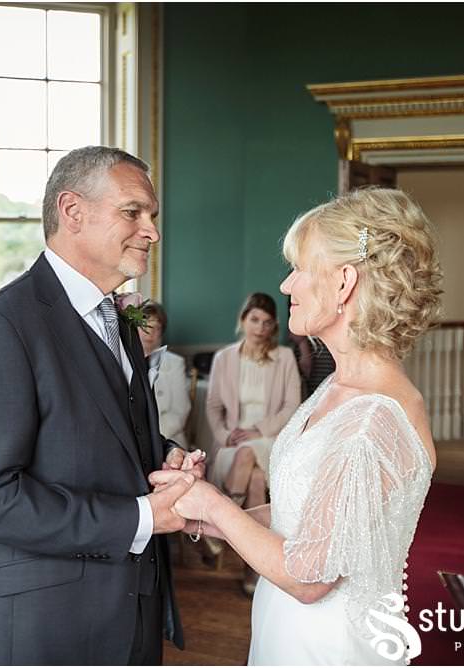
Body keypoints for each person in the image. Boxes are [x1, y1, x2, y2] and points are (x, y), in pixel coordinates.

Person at [152, 188, 443, 665]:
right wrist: (210, 512)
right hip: (286, 627)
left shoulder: (372, 419)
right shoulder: (334, 388)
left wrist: (215, 507)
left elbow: (311, 578)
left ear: (345, 282)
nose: (287, 286)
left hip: (325, 645)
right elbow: (303, 519)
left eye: (301, 269)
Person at [0, 145, 204, 665]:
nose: (152, 231)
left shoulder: (119, 322)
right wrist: (138, 517)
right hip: (48, 625)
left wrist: (165, 458)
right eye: (133, 212)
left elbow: (103, 435)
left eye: (152, 216)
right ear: (72, 212)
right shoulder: (1, 327)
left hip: (131, 607)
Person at [205, 293, 301, 555]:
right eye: (255, 319)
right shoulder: (224, 358)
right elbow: (213, 406)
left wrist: (258, 431)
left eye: (267, 322)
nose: (260, 328)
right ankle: (255, 569)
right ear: (243, 319)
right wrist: (225, 436)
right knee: (256, 480)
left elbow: (292, 406)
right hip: (231, 443)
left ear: (275, 326)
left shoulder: (285, 358)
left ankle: (224, 527)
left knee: (248, 453)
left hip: (271, 439)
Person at [137, 301, 192, 449]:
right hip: (135, 439)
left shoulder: (175, 363)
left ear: (162, 331)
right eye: (145, 325)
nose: (150, 332)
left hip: (170, 437)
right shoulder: (124, 361)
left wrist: (155, 437)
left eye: (156, 327)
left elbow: (181, 409)